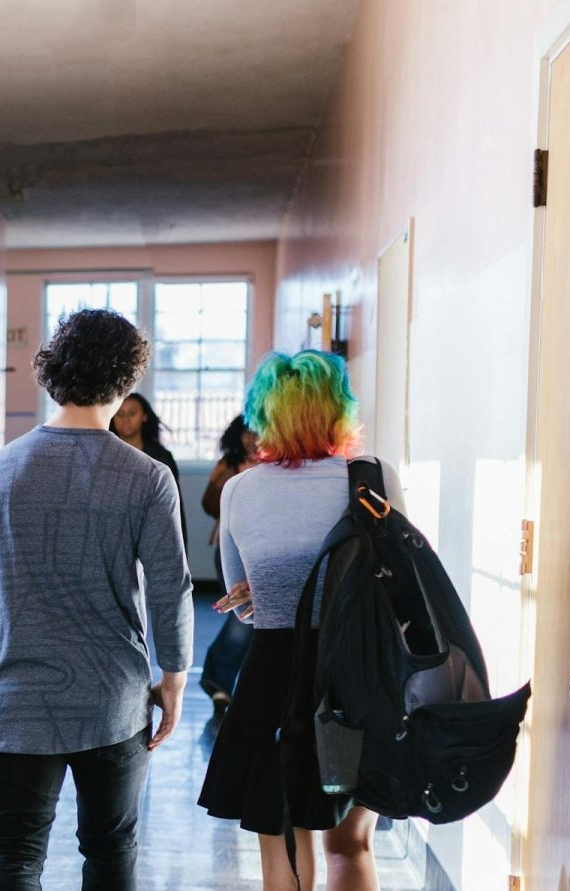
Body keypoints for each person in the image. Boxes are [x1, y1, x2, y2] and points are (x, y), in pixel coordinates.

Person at [0, 308, 194, 891]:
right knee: (111, 852)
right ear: (126, 381)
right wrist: (175, 677)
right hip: (112, 699)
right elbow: (170, 589)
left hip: (16, 698)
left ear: (54, 375)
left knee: (12, 859)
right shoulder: (146, 477)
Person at [198, 351, 403, 891]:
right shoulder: (374, 478)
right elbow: (399, 580)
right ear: (340, 411)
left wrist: (270, 588)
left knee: (284, 843)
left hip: (275, 676)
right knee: (351, 843)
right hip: (358, 674)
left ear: (265, 417)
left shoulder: (241, 490)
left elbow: (244, 601)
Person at [197, 415, 259, 711]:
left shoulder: (278, 463)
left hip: (263, 549)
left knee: (253, 619)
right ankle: (219, 680)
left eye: (259, 432)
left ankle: (220, 681)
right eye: (247, 433)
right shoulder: (228, 464)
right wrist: (226, 483)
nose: (253, 439)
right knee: (245, 617)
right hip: (231, 550)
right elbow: (208, 505)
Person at [110, 392, 186, 542]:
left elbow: (173, 508)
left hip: (152, 533)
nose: (125, 419)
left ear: (144, 417)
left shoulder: (162, 457)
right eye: (119, 414)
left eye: (132, 413)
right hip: (115, 534)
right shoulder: (105, 455)